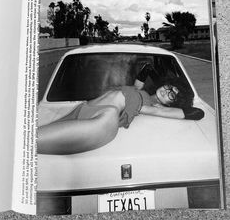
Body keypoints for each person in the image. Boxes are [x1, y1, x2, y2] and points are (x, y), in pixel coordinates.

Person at [37, 63, 204, 155]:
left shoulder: (153, 107)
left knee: (33, 143)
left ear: (170, 104)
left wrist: (187, 108)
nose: (167, 91)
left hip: (105, 119)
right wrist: (147, 70)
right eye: (169, 87)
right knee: (32, 137)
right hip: (85, 108)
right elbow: (138, 83)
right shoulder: (142, 92)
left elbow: (194, 113)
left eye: (172, 95)